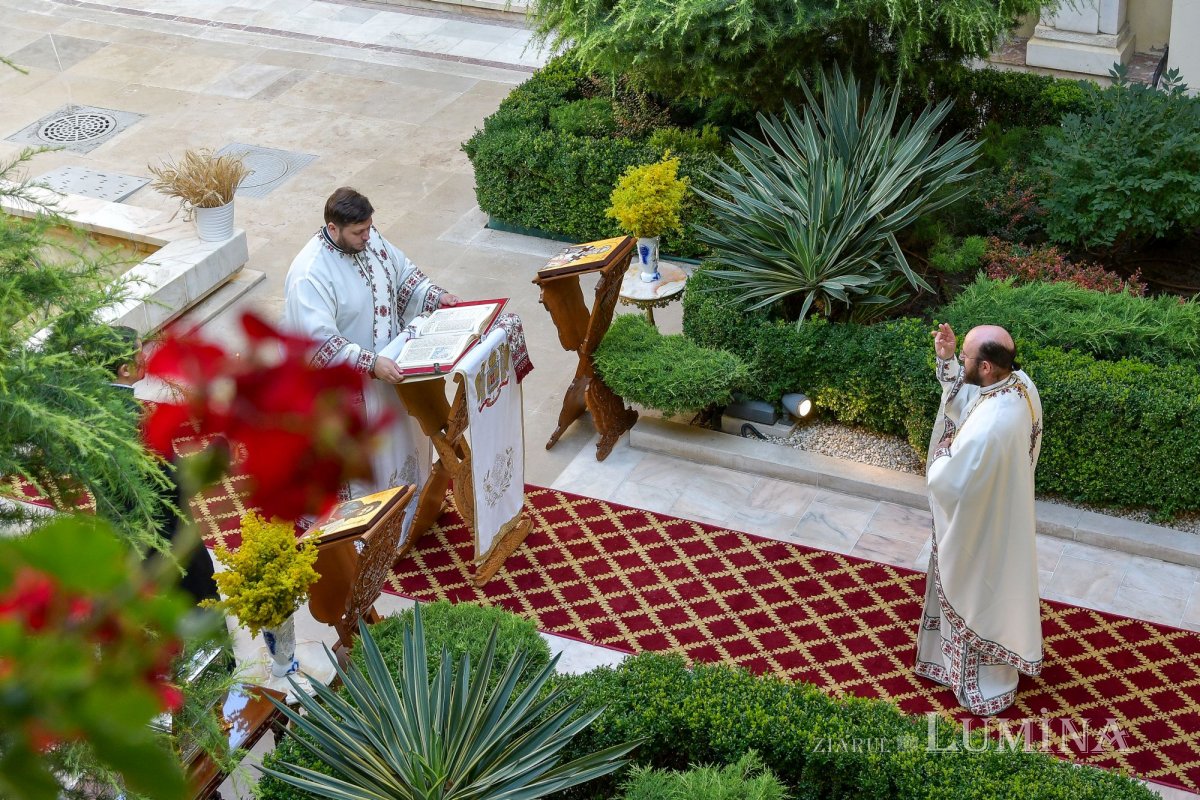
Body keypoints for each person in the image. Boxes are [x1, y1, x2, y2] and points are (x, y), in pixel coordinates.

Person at [282, 187, 460, 539]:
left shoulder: (368, 237)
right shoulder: (310, 273)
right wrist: (370, 362)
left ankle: (413, 514)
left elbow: (403, 274)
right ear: (333, 229)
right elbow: (318, 341)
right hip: (347, 388)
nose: (368, 237)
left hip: (389, 372)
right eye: (359, 232)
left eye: (369, 228)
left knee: (403, 445)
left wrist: (438, 297)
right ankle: (365, 537)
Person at [913, 323, 1044, 716]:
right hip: (1001, 513)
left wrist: (941, 452)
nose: (963, 359)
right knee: (995, 593)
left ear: (987, 366)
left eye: (967, 356)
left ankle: (978, 682)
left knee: (976, 594)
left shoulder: (990, 428)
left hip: (980, 530)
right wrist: (947, 360)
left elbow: (948, 482)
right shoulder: (1020, 386)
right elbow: (970, 400)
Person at [103, 326, 220, 606]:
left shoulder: (96, 405)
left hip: (121, 528)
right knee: (201, 598)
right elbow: (165, 480)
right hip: (161, 530)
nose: (145, 357)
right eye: (139, 352)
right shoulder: (129, 418)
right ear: (124, 369)